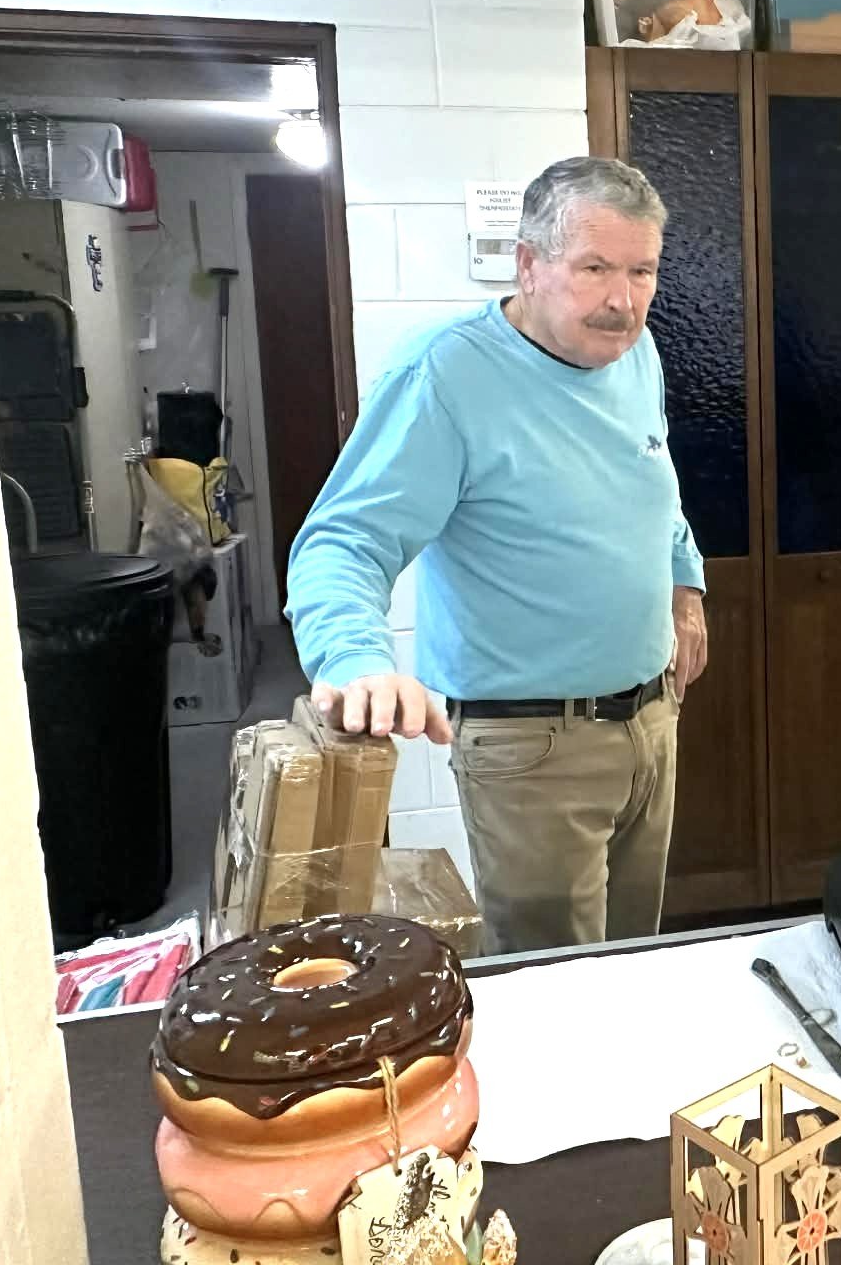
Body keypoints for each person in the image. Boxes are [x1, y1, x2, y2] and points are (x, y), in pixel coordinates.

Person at [286, 156, 708, 952]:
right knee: (560, 994)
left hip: (652, 722)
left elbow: (656, 477)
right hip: (531, 749)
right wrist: (354, 657)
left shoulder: (633, 351)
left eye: (642, 270)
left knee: (634, 966)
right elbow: (344, 540)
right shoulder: (445, 373)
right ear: (528, 264)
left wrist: (685, 583)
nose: (623, 300)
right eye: (594, 269)